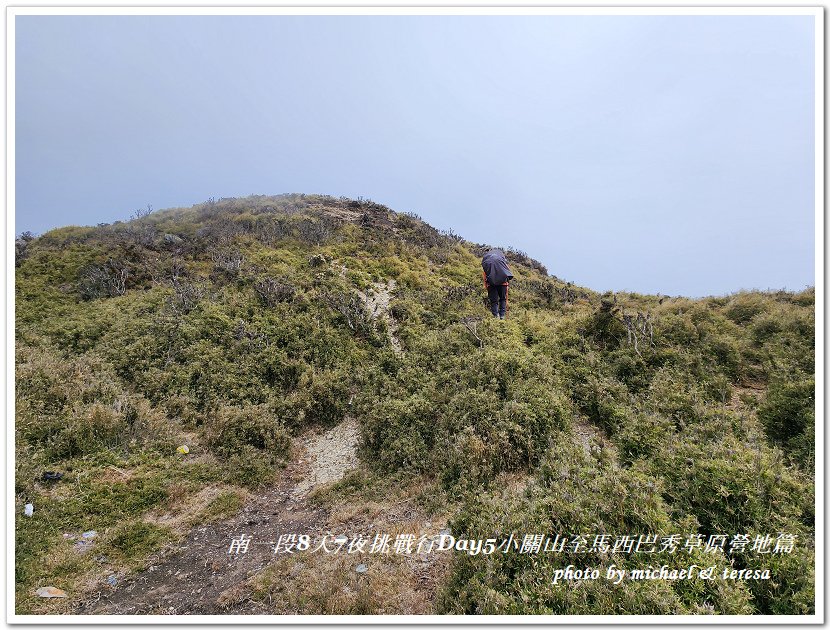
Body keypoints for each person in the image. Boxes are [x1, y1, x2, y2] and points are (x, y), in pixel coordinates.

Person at [481, 248, 513, 319]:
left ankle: (496, 316)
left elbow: (485, 276)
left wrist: (487, 287)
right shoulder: (502, 262)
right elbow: (507, 272)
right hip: (503, 283)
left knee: (494, 301)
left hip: (491, 284)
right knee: (502, 299)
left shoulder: (487, 264)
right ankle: (502, 316)